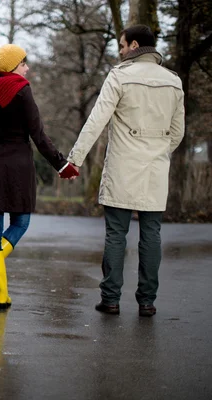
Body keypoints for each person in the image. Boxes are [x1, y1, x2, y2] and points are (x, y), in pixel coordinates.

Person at [66, 25, 185, 317]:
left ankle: (110, 300)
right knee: (152, 233)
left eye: (121, 45)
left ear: (133, 45)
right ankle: (147, 302)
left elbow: (96, 121)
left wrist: (75, 159)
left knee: (116, 234)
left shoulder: (119, 75)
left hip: (122, 166)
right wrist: (157, 152)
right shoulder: (173, 81)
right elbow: (177, 132)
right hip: (155, 168)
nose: (119, 51)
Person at [0, 44, 79, 309]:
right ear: (14, 66)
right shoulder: (21, 90)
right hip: (18, 167)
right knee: (21, 222)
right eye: (24, 64)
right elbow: (38, 135)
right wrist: (63, 165)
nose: (27, 68)